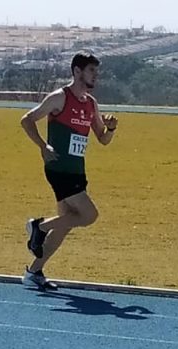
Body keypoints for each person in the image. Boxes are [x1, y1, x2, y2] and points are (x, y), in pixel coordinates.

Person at [20, 51, 118, 291]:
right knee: (89, 215)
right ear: (77, 71)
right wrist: (43, 146)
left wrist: (112, 128)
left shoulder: (91, 104)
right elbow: (27, 120)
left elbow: (102, 139)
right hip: (59, 167)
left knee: (64, 225)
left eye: (97, 71)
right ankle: (39, 226)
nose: (96, 76)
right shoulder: (59, 98)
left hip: (77, 171)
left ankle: (34, 272)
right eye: (91, 71)